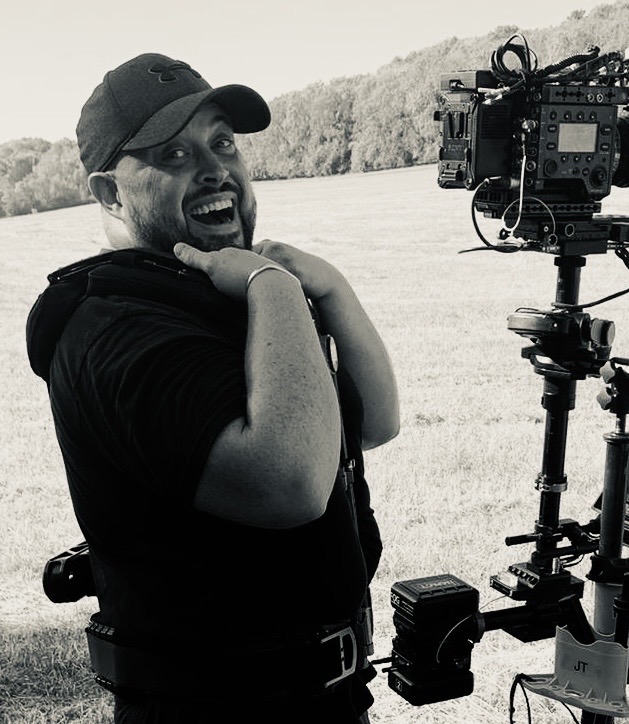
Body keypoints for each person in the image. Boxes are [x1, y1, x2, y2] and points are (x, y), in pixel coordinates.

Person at [26, 53, 399, 723]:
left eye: (222, 142)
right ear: (110, 194)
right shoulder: (114, 330)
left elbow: (372, 424)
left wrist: (330, 290)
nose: (213, 168)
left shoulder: (217, 293)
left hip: (324, 697)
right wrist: (274, 286)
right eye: (172, 154)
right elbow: (288, 484)